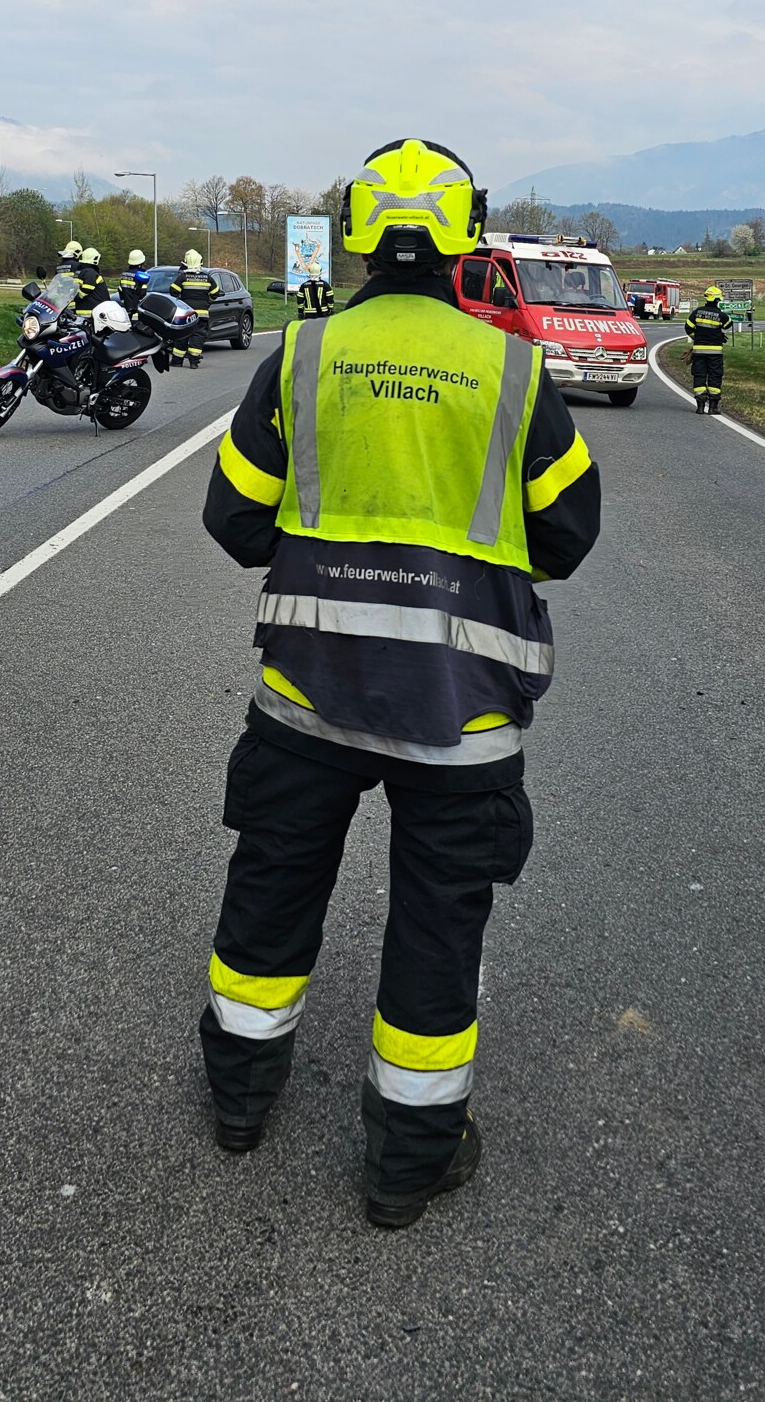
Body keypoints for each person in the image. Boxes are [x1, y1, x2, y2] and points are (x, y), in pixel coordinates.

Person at [198, 137, 601, 1228]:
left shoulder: (301, 356)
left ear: (359, 235)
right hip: (460, 711)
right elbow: (568, 533)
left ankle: (239, 1104)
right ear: (468, 233)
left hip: (307, 691)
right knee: (436, 924)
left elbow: (234, 517)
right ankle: (406, 1166)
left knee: (273, 886)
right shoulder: (513, 369)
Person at [171, 249, 219, 368]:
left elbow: (173, 291)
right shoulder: (207, 278)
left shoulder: (183, 277)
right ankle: (194, 361)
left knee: (182, 335)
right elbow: (216, 292)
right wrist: (207, 302)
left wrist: (180, 301)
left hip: (186, 313)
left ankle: (177, 361)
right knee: (198, 335)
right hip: (202, 313)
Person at [685, 286, 729, 414]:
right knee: (715, 377)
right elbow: (728, 323)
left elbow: (688, 327)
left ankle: (700, 406)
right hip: (715, 352)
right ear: (717, 300)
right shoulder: (720, 315)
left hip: (698, 351)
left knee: (699, 376)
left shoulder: (697, 312)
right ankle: (713, 407)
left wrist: (697, 337)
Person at [73, 246, 111, 317]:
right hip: (93, 310)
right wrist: (77, 298)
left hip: (85, 309)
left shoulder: (80, 271)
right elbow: (87, 289)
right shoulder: (90, 272)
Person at [118, 248, 150, 315]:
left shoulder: (124, 274)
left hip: (126, 309)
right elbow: (142, 294)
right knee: (136, 324)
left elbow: (120, 290)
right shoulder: (141, 276)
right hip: (137, 310)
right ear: (141, 262)